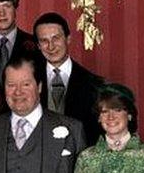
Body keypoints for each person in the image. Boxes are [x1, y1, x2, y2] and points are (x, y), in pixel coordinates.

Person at [33, 12, 104, 144]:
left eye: (56, 38)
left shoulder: (94, 84)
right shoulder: (29, 82)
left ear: (68, 38)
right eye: (44, 41)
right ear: (38, 45)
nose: (51, 46)